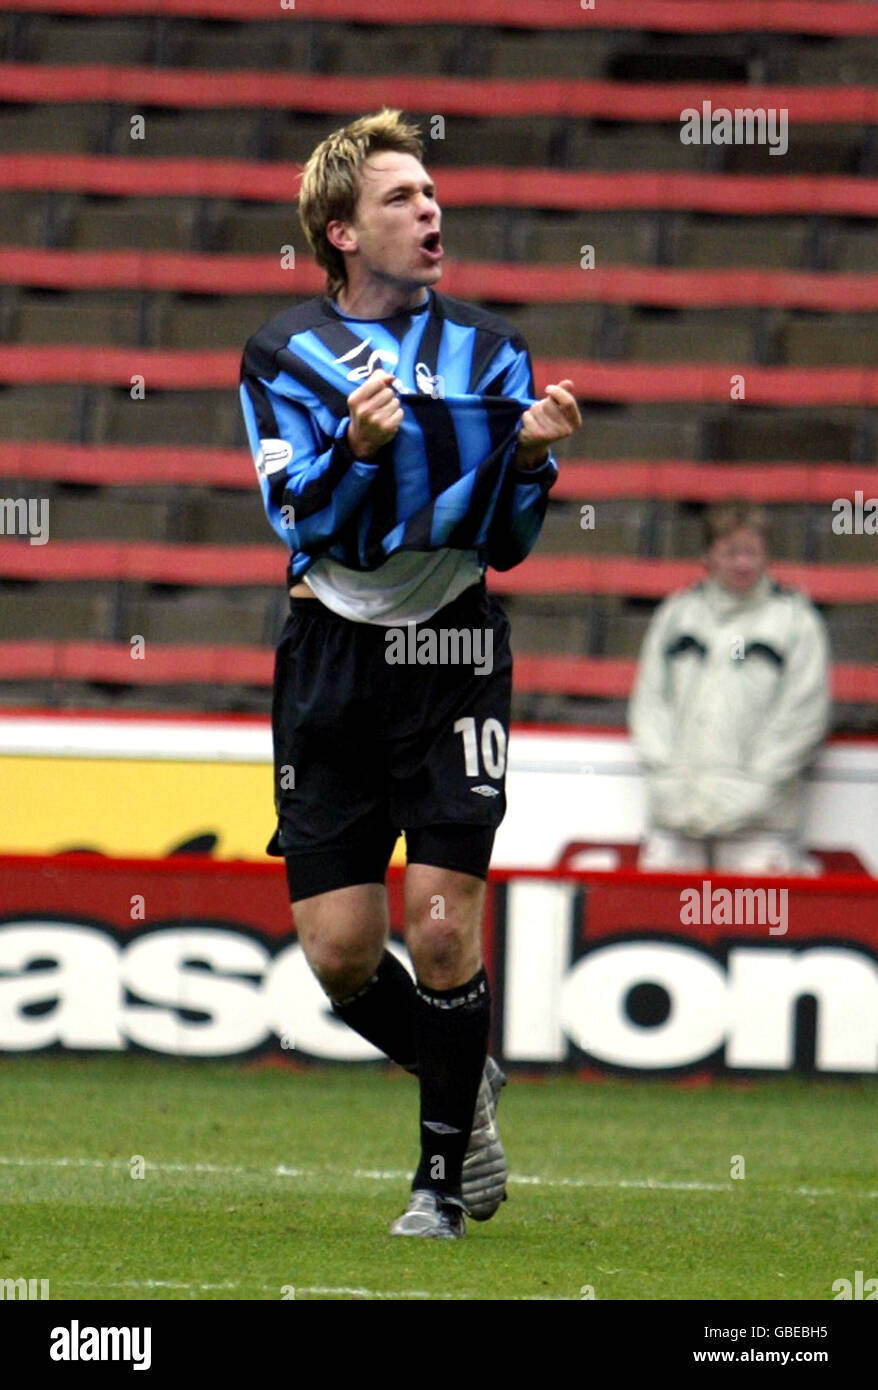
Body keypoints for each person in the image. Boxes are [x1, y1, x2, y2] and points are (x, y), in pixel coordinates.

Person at [239, 109, 581, 1238]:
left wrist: (531, 460)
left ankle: (437, 1180)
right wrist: (359, 449)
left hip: (451, 650)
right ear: (338, 231)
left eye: (431, 193)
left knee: (440, 930)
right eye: (400, 198)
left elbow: (508, 540)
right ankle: (457, 1069)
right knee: (339, 954)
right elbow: (302, 517)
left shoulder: (492, 349)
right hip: (332, 655)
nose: (429, 211)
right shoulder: (280, 354)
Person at [628, 501, 831, 875]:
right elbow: (649, 705)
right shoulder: (676, 614)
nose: (742, 563)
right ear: (709, 555)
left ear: (766, 555)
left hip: (759, 828)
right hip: (677, 818)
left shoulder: (796, 621)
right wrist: (669, 781)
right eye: (730, 551)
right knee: (662, 929)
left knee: (756, 933)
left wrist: (749, 791)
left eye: (751, 552)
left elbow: (804, 717)